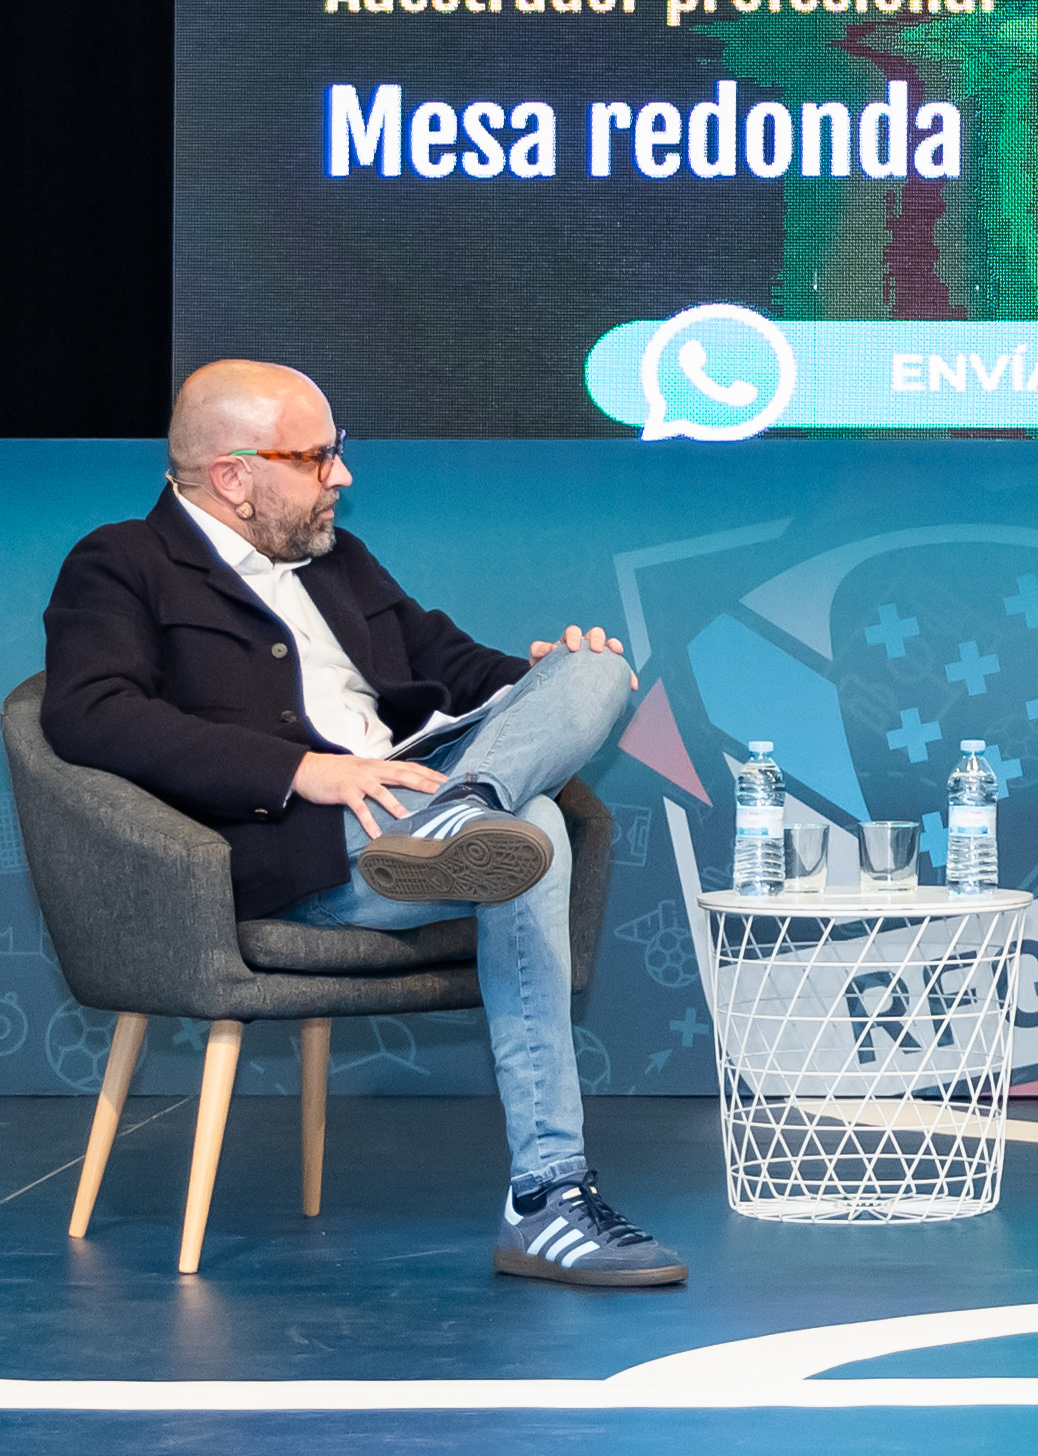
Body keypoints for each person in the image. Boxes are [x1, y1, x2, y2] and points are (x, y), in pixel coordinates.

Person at [39, 357, 685, 1288]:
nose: (340, 476)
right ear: (234, 474)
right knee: (534, 832)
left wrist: (539, 680)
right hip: (303, 848)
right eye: (317, 457)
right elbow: (88, 712)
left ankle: (466, 812)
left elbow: (454, 663)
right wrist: (302, 769)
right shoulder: (123, 564)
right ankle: (548, 1199)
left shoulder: (339, 559)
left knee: (594, 674)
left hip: (423, 802)